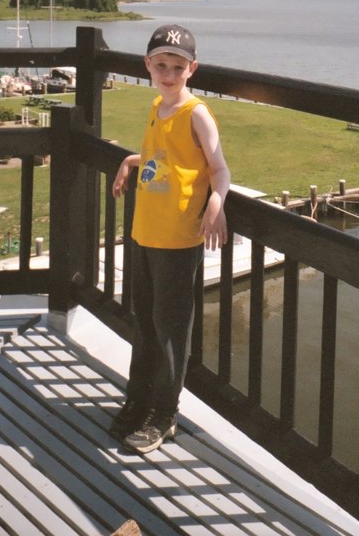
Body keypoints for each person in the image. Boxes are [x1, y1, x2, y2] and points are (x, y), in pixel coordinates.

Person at [111, 23, 230, 453]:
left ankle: (165, 413)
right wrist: (130, 159)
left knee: (169, 331)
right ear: (147, 65)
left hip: (178, 241)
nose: (168, 72)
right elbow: (164, 158)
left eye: (177, 66)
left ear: (191, 69)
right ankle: (139, 399)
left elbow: (219, 168)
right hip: (144, 233)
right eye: (160, 64)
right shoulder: (157, 106)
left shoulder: (195, 112)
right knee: (143, 324)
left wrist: (216, 201)